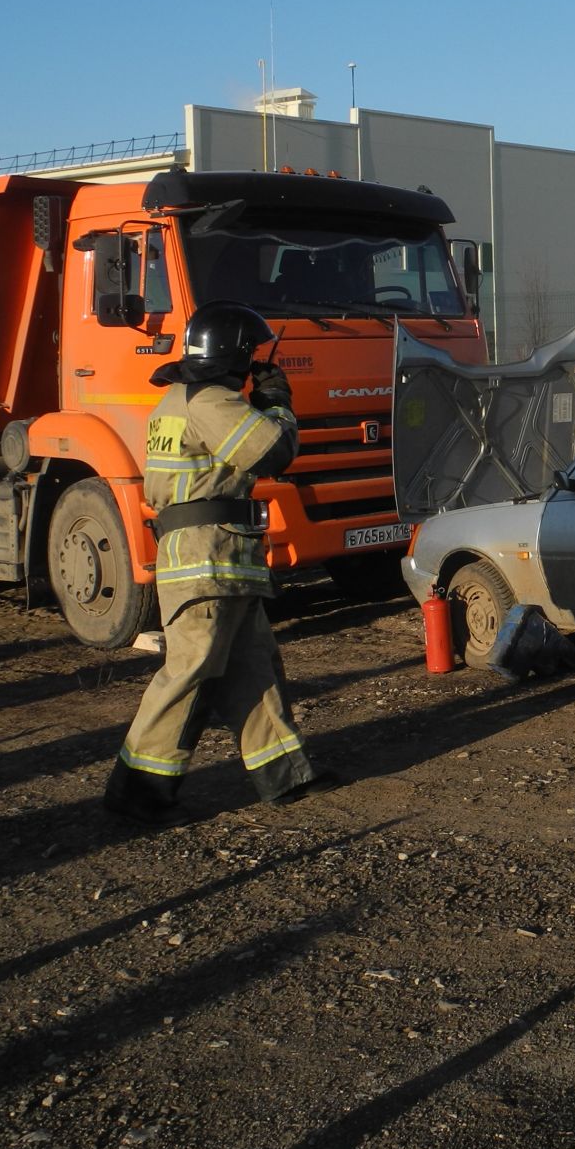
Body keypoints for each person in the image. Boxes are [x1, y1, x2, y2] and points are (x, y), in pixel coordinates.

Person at [103, 301, 339, 824]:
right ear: (232, 354)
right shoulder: (209, 400)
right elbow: (272, 451)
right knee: (190, 672)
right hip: (206, 560)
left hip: (220, 558)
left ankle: (286, 776)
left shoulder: (178, 399)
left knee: (253, 669)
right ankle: (138, 790)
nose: (257, 364)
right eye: (252, 355)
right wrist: (277, 402)